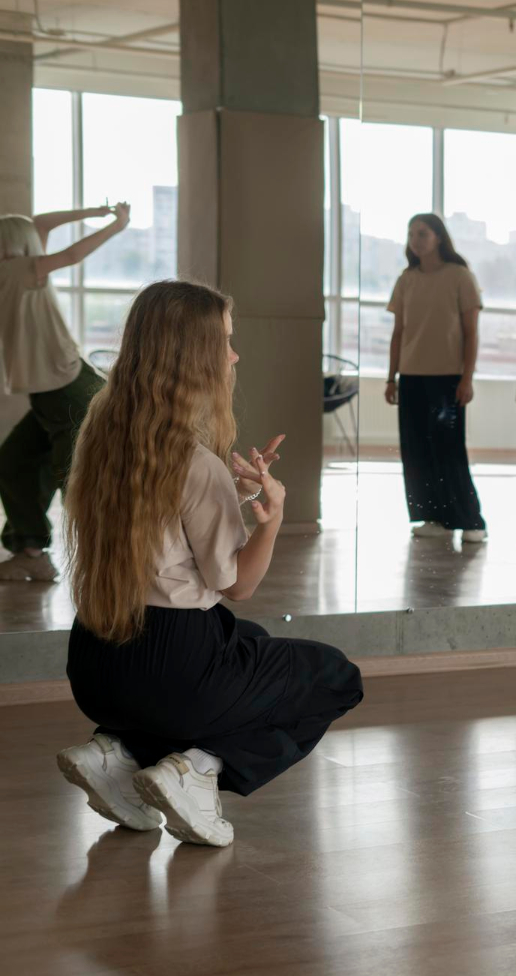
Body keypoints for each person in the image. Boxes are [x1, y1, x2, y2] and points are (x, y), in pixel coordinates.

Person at [56, 280, 364, 847]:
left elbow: (162, 538)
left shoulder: (102, 440)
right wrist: (270, 518)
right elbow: (238, 584)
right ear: (193, 357)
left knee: (251, 644)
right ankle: (197, 768)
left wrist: (234, 499)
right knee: (332, 677)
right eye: (225, 341)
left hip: (95, 664)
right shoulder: (197, 466)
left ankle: (117, 751)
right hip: (173, 669)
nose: (234, 355)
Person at [0, 204, 130, 582]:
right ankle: (30, 551)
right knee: (15, 462)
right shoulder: (18, 271)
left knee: (76, 476)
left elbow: (65, 248)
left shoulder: (19, 269)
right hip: (55, 389)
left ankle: (112, 561)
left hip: (68, 388)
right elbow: (44, 227)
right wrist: (107, 216)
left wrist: (113, 222)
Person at [384, 213, 487, 543]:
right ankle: (433, 518)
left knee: (449, 450)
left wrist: (466, 378)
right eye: (411, 233)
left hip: (448, 379)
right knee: (416, 451)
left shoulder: (460, 276)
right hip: (411, 377)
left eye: (423, 233)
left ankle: (472, 521)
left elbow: (471, 334)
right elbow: (398, 332)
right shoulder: (406, 278)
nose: (416, 239)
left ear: (439, 237)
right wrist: (391, 377)